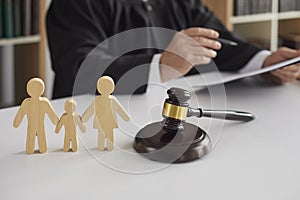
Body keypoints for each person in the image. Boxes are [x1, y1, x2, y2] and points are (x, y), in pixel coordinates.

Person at [46, 0, 300, 99]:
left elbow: (217, 42)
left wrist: (265, 62)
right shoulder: (74, 4)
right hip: (89, 127)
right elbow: (81, 68)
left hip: (163, 119)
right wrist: (161, 66)